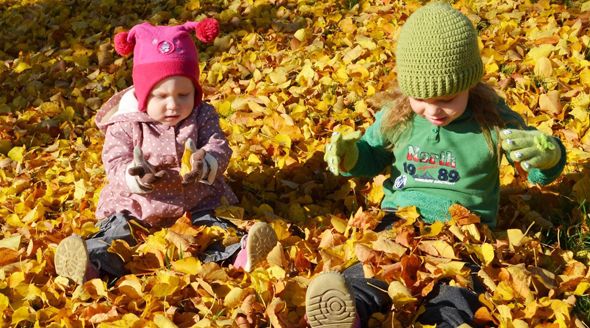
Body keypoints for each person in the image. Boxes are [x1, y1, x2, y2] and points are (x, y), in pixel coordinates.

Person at [306, 2, 566, 327]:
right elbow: (371, 155)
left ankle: (448, 321)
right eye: (421, 100)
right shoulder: (396, 117)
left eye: (446, 100)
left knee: (458, 288)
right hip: (397, 219)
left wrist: (548, 155)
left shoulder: (492, 120)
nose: (432, 111)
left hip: (465, 230)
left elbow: (536, 166)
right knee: (372, 267)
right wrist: (351, 156)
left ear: (469, 83)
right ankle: (351, 307)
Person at [54, 19, 277, 285]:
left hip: (195, 200)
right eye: (161, 96)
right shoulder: (127, 122)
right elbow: (115, 160)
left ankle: (239, 255)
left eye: (184, 94)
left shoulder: (202, 115)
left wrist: (205, 160)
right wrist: (134, 176)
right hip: (137, 206)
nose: (173, 105)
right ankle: (92, 264)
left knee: (212, 230)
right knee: (117, 233)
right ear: (143, 94)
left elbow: (219, 145)